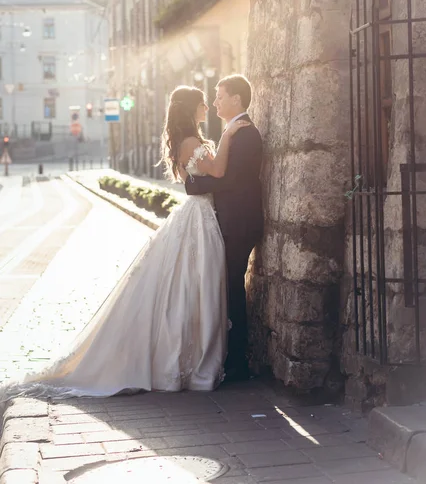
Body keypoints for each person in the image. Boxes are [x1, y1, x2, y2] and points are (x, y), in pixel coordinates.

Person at [0, 86, 248, 400]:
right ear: (191, 109)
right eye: (202, 103)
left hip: (199, 215)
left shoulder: (189, 140)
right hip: (200, 218)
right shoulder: (190, 142)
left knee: (192, 286)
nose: (207, 107)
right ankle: (191, 361)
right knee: (195, 285)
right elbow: (219, 170)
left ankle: (192, 355)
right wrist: (229, 135)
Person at [184, 74, 263, 382]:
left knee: (231, 286)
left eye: (220, 96)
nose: (215, 102)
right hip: (231, 220)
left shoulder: (245, 133)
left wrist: (194, 184)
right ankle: (233, 356)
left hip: (240, 222)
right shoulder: (234, 131)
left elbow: (230, 180)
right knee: (227, 286)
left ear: (236, 100)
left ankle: (239, 362)